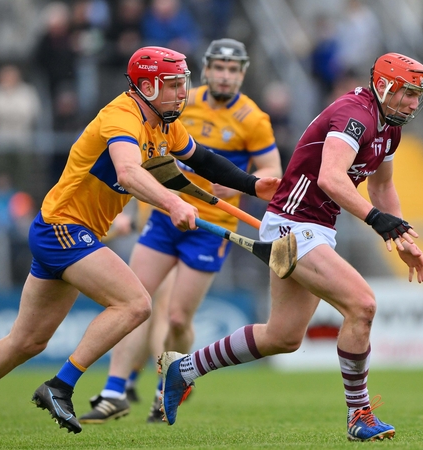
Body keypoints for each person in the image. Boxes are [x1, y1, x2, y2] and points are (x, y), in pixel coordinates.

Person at [0, 45, 279, 448]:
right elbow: (128, 170)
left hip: (65, 231)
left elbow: (202, 160)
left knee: (28, 341)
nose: (182, 93)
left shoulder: (164, 123)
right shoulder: (122, 116)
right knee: (136, 304)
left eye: (183, 83)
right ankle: (61, 385)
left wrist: (252, 185)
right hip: (64, 229)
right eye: (173, 85)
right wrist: (173, 202)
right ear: (145, 86)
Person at [159, 52, 423, 442]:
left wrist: (400, 234)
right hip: (292, 225)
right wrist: (377, 221)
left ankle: (184, 369)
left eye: (419, 95)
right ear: (385, 85)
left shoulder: (391, 127)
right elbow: (331, 179)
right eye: (408, 93)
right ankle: (360, 415)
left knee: (282, 337)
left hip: (314, 228)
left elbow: (382, 186)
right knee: (362, 305)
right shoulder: (356, 115)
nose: (413, 103)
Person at [78, 37, 282, 424]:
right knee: (132, 301)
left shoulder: (253, 118)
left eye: (232, 69)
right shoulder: (177, 97)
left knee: (176, 319)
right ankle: (113, 391)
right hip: (164, 217)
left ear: (242, 74)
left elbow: (271, 169)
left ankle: (168, 385)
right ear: (206, 70)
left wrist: (243, 182)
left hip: (212, 227)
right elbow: (152, 156)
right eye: (218, 68)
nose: (224, 75)